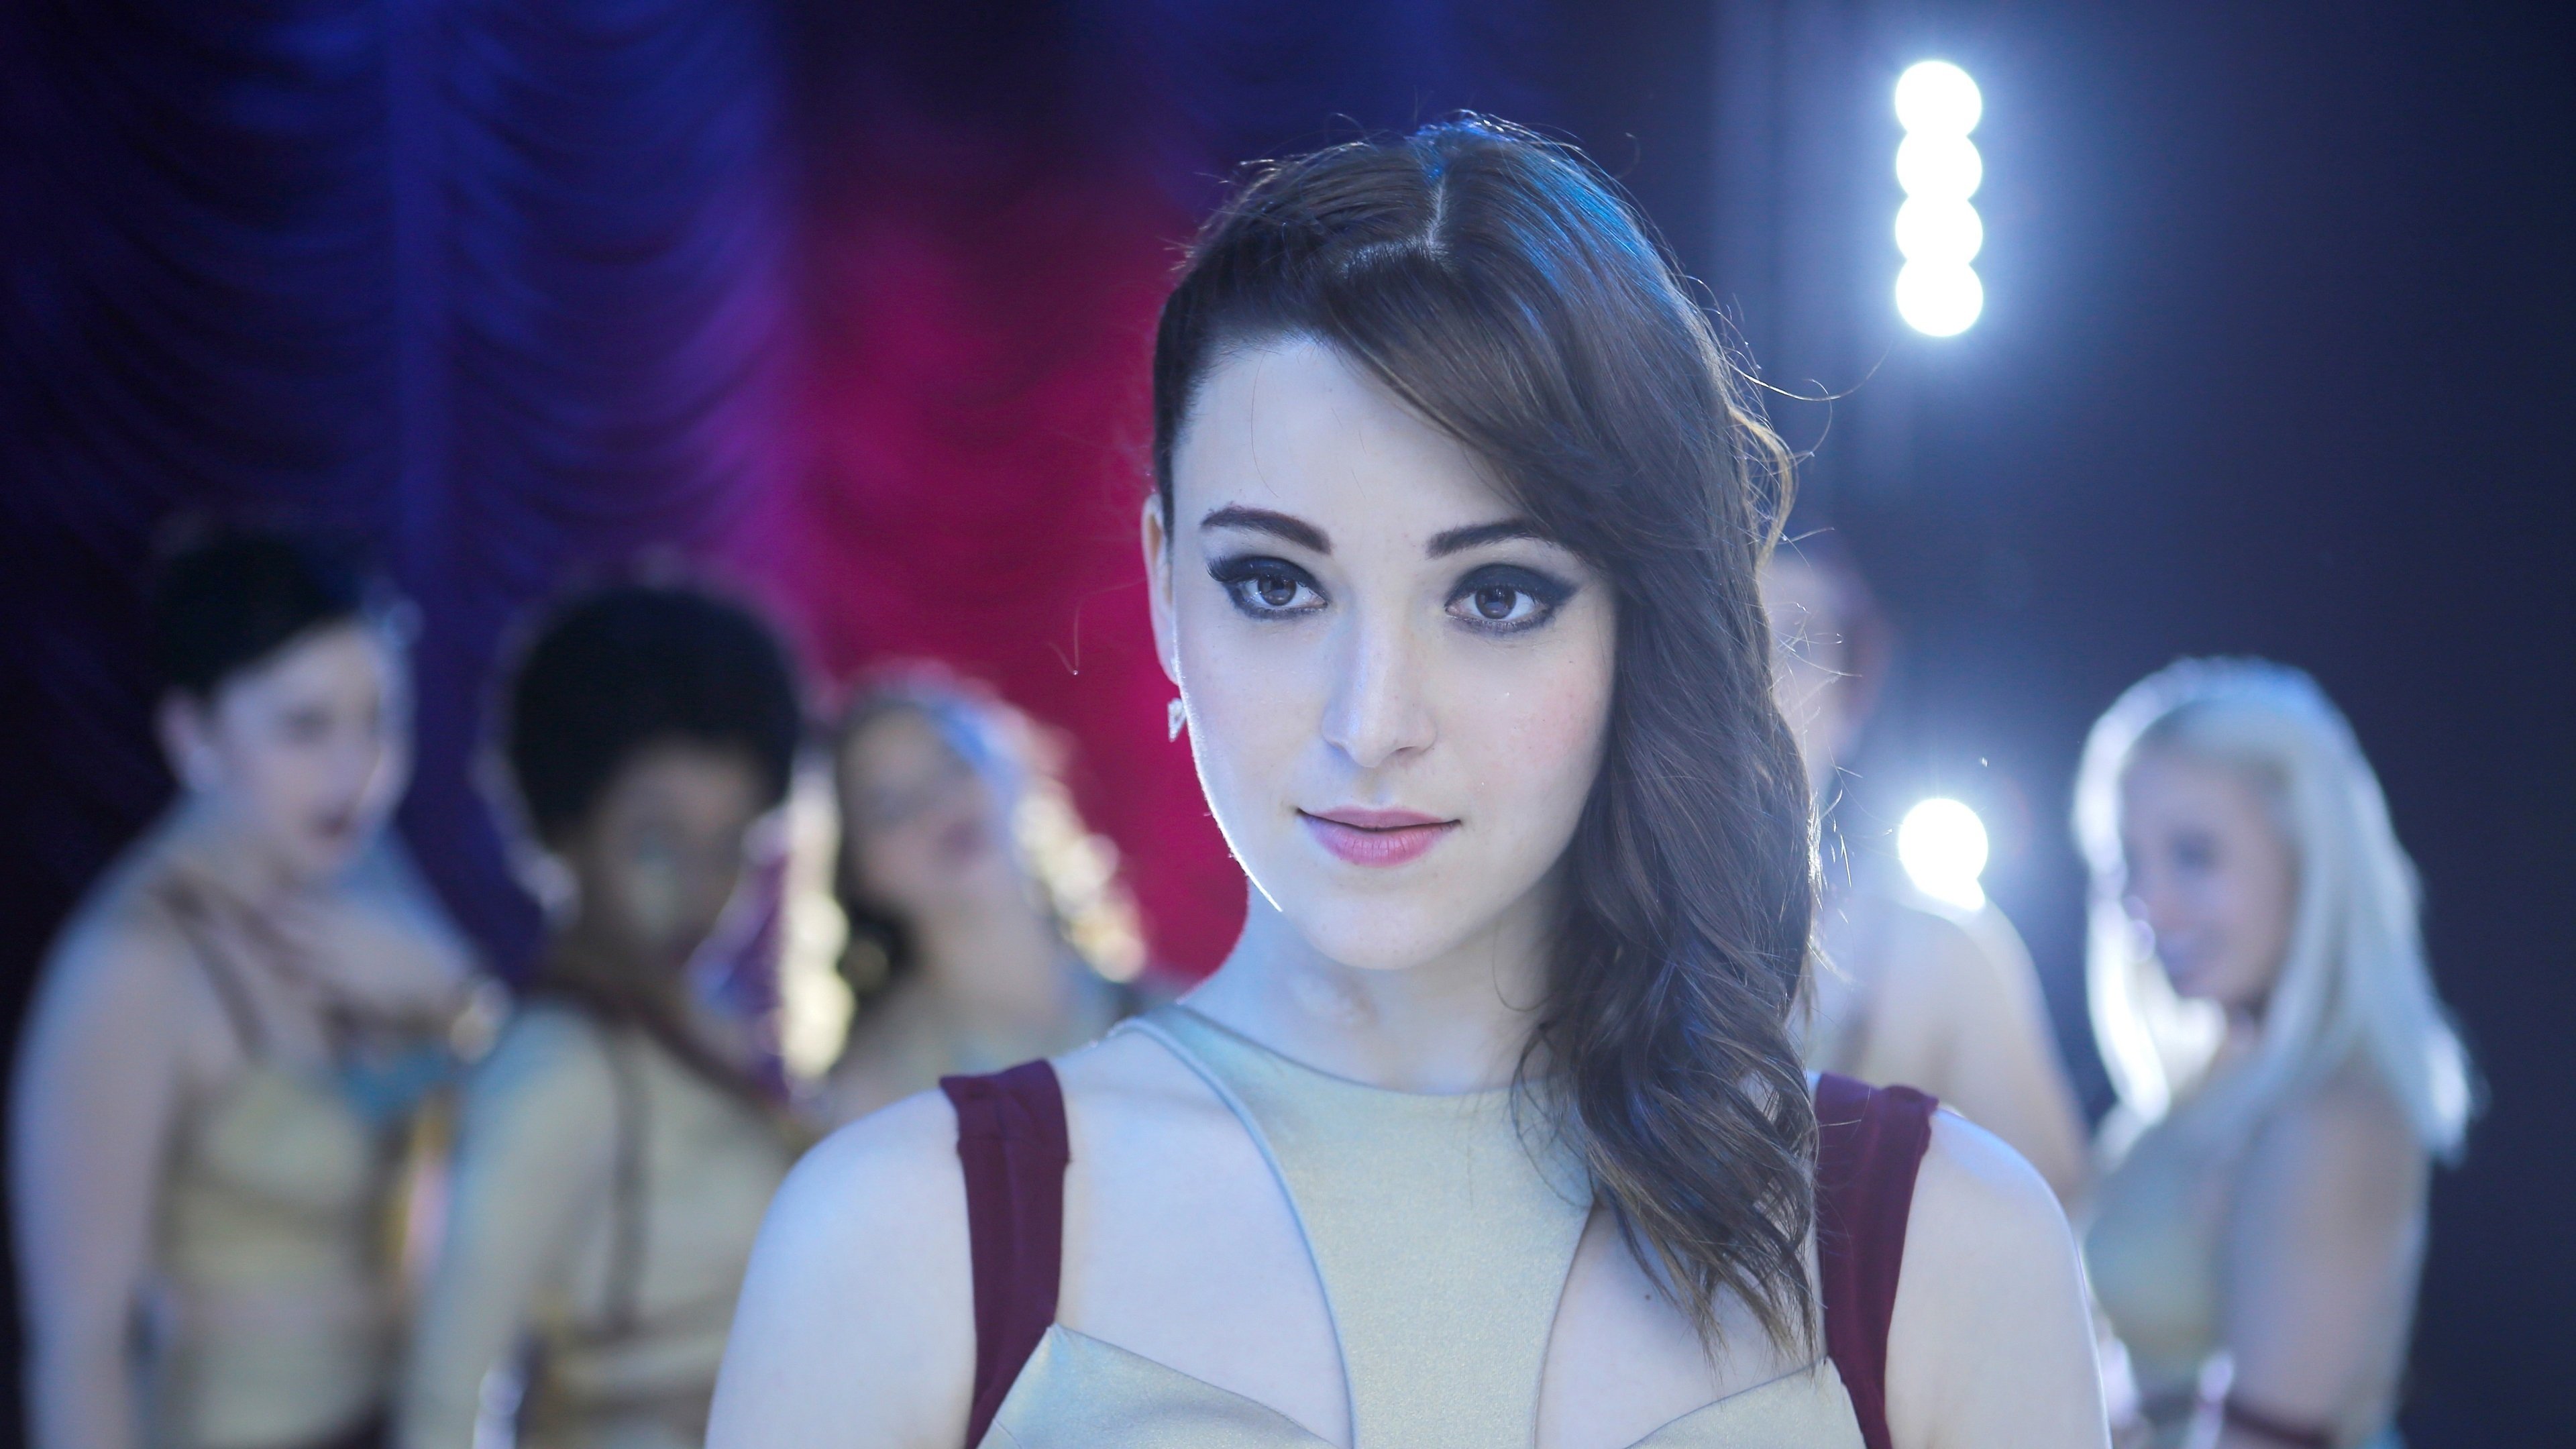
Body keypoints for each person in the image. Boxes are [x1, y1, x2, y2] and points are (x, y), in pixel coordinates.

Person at [710, 119, 2103, 1449]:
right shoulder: (899, 1246)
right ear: (1165, 590)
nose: (1371, 723)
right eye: (1276, 584)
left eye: (1495, 596)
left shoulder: (1943, 1249)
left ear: (1642, 621)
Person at [12, 527, 485, 1449]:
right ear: (193, 736)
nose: (357, 772)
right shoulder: (132, 966)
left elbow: (509, 1121)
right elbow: (79, 1347)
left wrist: (456, 992)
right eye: (304, 727)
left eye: (380, 721)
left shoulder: (367, 869)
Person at [398, 582, 804, 1449]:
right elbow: (441, 1403)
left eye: (729, 847)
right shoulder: (557, 1066)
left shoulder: (705, 1020)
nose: (699, 887)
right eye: (656, 843)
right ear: (566, 828)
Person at [2074, 660, 2473, 1449]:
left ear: (2308, 857)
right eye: (2129, 862)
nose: (2148, 906)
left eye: (2195, 855)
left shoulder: (2338, 1114)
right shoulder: (2197, 1091)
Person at [1762, 537, 2090, 1204]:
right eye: (1729, 634)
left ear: (1852, 693)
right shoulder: (1595, 926)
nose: (1760, 678)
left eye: (1797, 643)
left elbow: (2059, 1213)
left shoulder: (1939, 952)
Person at [816, 673, 1147, 1126]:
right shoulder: (872, 1100)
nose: (936, 807)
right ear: (857, 872)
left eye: (952, 764)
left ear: (1012, 768)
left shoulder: (1178, 1018)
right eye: (890, 807)